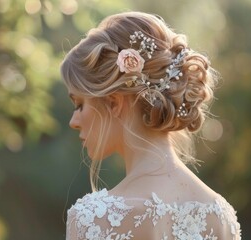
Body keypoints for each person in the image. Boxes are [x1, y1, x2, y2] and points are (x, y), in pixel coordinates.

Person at [61, 11, 241, 240]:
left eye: (79, 105)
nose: (74, 122)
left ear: (114, 102)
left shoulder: (94, 219)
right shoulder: (221, 217)